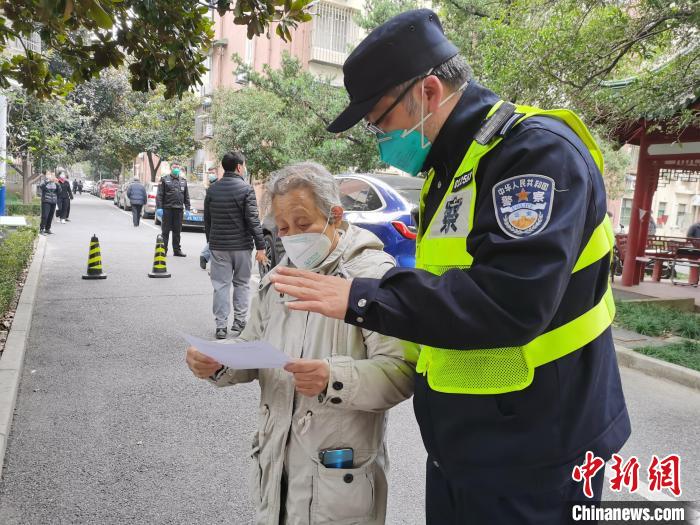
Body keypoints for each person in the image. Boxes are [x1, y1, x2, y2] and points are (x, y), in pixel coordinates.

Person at [269, 9, 631, 523]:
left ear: (429, 92)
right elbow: (445, 285)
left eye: (381, 120)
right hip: (471, 446)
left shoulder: (534, 155)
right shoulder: (454, 166)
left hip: (540, 451)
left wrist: (365, 296)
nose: (380, 137)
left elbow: (510, 300)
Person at [186, 162, 414, 524]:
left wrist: (332, 378)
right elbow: (254, 344)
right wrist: (220, 362)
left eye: (303, 224)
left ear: (335, 216)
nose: (292, 236)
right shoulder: (278, 278)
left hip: (338, 480)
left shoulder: (371, 278)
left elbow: (401, 373)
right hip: (275, 467)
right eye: (284, 227)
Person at [203, 152, 267, 339]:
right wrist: (260, 246)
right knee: (242, 284)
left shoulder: (213, 190)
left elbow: (208, 221)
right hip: (242, 247)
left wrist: (212, 242)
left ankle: (221, 326)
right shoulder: (246, 189)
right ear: (239, 167)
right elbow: (253, 220)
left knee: (221, 286)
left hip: (219, 246)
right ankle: (239, 322)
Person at [156, 166, 190, 256]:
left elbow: (186, 196)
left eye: (177, 167)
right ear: (171, 169)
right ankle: (164, 250)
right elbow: (159, 194)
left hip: (179, 210)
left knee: (177, 231)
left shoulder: (183, 180)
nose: (176, 169)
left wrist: (187, 208)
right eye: (174, 167)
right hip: (167, 209)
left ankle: (177, 250)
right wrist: (159, 207)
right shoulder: (164, 179)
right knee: (165, 231)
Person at [200, 170, 221, 270]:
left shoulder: (217, 185)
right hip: (214, 216)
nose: (211, 175)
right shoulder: (212, 186)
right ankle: (206, 256)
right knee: (215, 239)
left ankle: (205, 256)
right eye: (209, 173)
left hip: (214, 215)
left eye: (212, 172)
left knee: (214, 238)